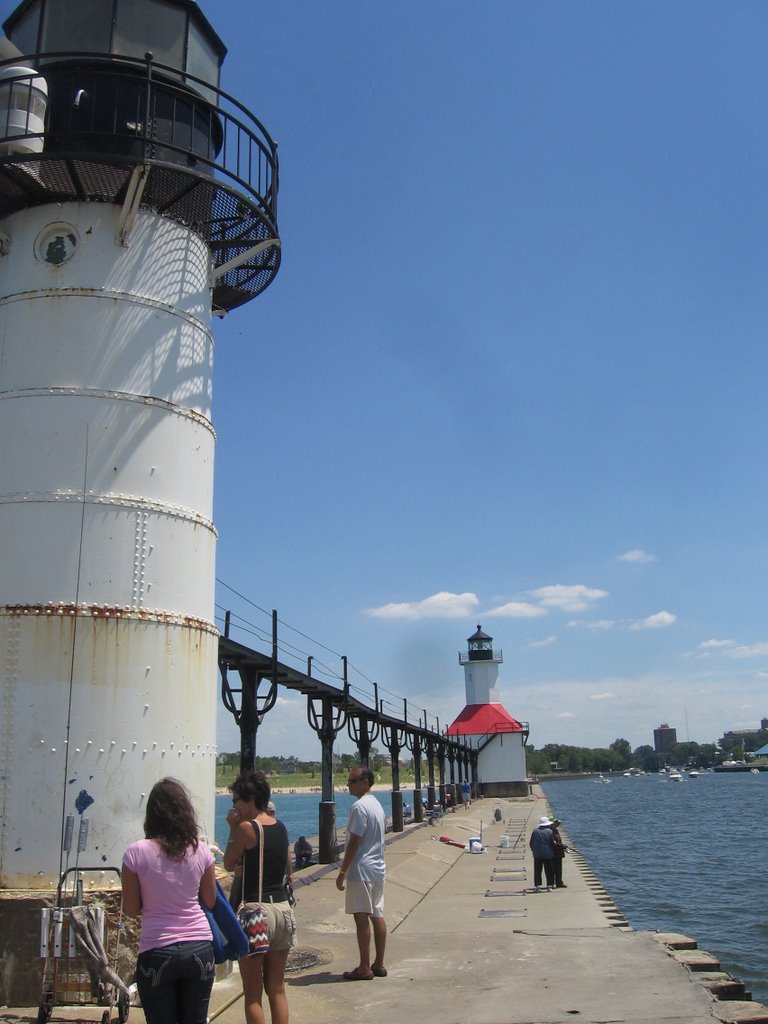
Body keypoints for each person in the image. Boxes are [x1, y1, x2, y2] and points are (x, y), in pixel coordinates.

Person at [121, 777, 216, 1024]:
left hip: (157, 949)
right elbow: (210, 899)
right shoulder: (201, 850)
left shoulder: (136, 852)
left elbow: (130, 909)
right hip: (199, 946)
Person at [224, 772, 296, 1024]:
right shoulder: (280, 827)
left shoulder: (246, 827)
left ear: (249, 800)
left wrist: (232, 827)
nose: (234, 806)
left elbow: (228, 862)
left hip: (257, 912)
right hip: (282, 910)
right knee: (277, 989)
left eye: (236, 801)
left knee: (253, 994)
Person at [335, 765, 387, 981]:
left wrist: (342, 870)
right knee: (377, 914)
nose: (349, 785)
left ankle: (364, 966)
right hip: (377, 868)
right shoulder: (377, 805)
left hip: (361, 869)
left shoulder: (359, 807)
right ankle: (379, 963)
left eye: (352, 781)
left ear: (365, 781)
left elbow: (354, 841)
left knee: (361, 916)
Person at [529, 815, 556, 892]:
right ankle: (549, 886)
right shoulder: (550, 832)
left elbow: (531, 843)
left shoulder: (535, 831)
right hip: (548, 854)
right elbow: (552, 843)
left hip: (537, 854)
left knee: (537, 871)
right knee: (549, 871)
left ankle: (538, 886)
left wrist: (533, 850)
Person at [550, 818, 568, 888]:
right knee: (553, 869)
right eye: (556, 823)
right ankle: (554, 883)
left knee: (558, 869)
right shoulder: (551, 831)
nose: (558, 824)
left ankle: (559, 882)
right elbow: (553, 843)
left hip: (558, 853)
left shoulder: (555, 830)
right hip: (554, 853)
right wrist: (562, 846)